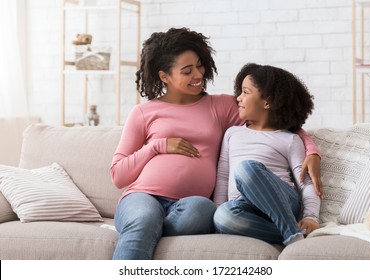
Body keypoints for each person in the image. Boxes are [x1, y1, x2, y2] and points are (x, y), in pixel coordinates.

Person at [110, 28, 322, 259]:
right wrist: (157, 146)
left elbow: (275, 119)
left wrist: (312, 150)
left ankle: (148, 228)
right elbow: (118, 175)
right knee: (144, 217)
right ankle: (141, 229)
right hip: (143, 195)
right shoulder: (142, 112)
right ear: (164, 76)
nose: (198, 74)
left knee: (204, 211)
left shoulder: (220, 106)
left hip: (190, 204)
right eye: (187, 70)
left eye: (200, 65)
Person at [213, 63, 322, 246]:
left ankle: (290, 232)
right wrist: (218, 210)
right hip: (245, 208)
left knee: (246, 168)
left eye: (246, 92)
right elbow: (223, 177)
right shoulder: (232, 133)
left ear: (267, 101)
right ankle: (294, 232)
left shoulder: (290, 139)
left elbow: (306, 182)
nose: (238, 98)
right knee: (223, 217)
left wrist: (311, 217)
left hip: (283, 202)